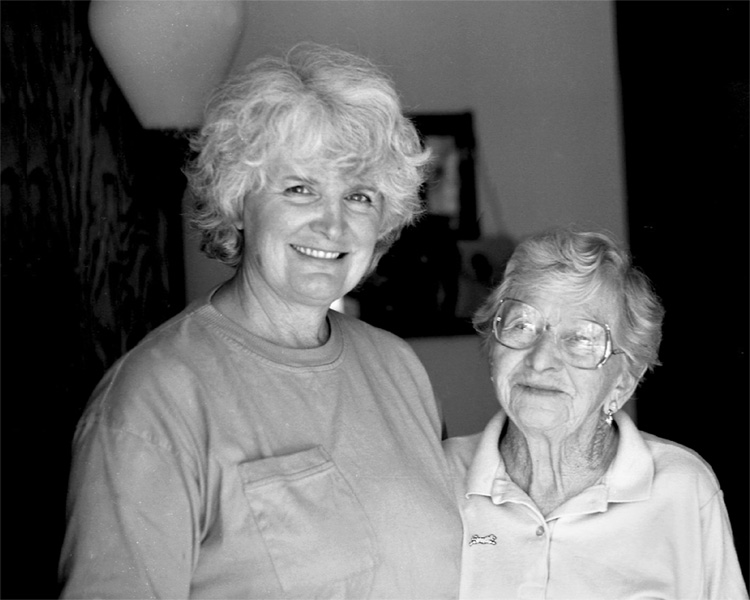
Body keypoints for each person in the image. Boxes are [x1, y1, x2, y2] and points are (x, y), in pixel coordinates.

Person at [59, 42, 462, 598]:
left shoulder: (398, 367)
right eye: (300, 189)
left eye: (360, 196)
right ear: (239, 199)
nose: (332, 224)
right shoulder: (154, 400)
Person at [444, 228, 748, 599]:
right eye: (522, 324)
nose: (541, 361)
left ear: (622, 384)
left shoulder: (681, 488)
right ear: (493, 347)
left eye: (582, 338)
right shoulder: (438, 476)